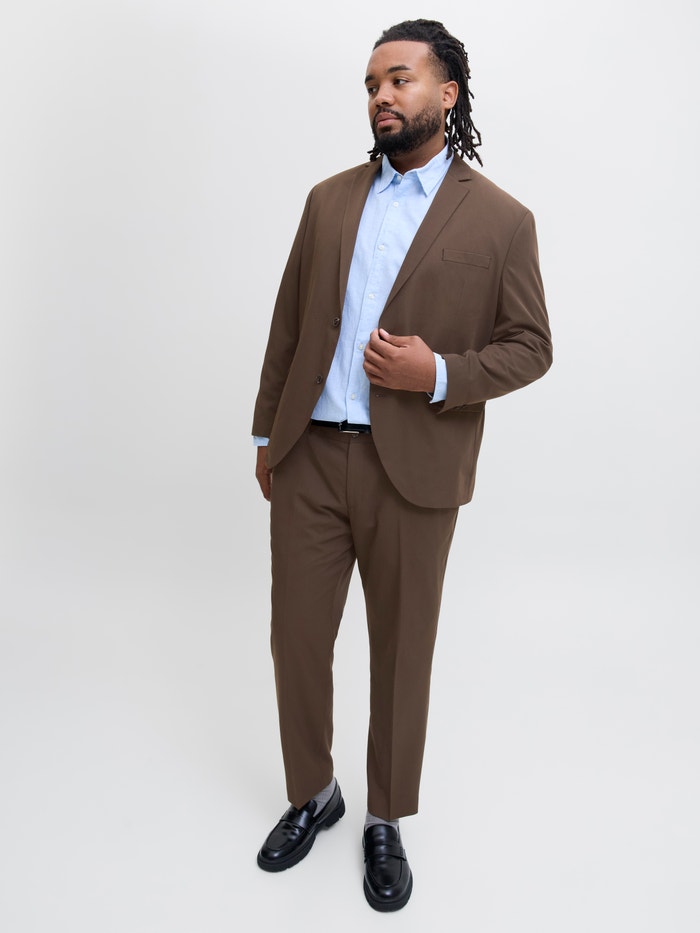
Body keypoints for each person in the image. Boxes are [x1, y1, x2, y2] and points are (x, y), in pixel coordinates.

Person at [251, 18, 552, 912]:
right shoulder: (328, 200)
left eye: (400, 79)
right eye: (372, 84)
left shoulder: (500, 220)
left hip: (414, 469)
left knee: (401, 649)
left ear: (446, 93)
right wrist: (267, 437)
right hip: (311, 455)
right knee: (296, 639)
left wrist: (440, 374)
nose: (382, 95)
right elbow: (288, 323)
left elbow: (532, 345)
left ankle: (385, 816)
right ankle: (314, 792)